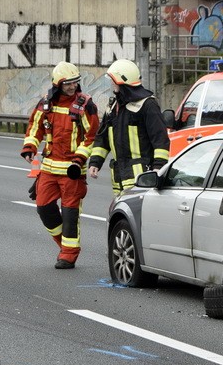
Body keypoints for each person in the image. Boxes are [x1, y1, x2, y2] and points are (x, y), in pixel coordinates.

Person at [20, 61, 99, 269]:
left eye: (75, 83)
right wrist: (29, 147)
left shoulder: (85, 105)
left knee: (71, 214)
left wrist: (80, 158)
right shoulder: (46, 103)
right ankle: (64, 243)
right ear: (57, 84)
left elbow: (91, 137)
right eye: (68, 84)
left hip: (73, 171)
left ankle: (69, 254)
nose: (72, 87)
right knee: (44, 208)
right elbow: (34, 127)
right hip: (48, 169)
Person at [88, 58, 171, 194]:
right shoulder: (114, 106)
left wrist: (158, 168)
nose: (111, 83)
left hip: (142, 179)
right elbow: (102, 138)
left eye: (113, 80)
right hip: (120, 179)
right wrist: (95, 162)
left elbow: (160, 140)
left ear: (122, 81)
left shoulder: (148, 105)